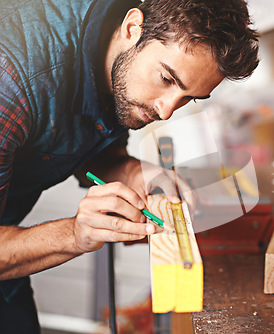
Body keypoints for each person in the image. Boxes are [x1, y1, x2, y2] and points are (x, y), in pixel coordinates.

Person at [0, 0, 259, 331]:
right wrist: (75, 234)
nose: (166, 111)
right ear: (132, 28)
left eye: (188, 98)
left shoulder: (120, 60)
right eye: (167, 79)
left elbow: (82, 145)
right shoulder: (11, 78)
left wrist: (137, 172)